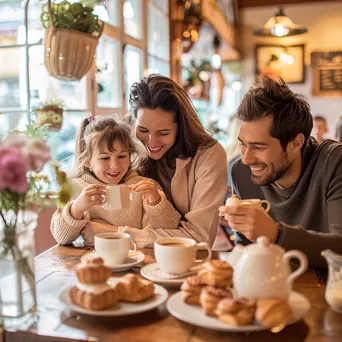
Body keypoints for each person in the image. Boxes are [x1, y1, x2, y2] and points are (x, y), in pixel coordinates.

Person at [219, 76, 342, 268]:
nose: (246, 159)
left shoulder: (334, 162)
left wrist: (277, 234)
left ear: (296, 143)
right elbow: (245, 251)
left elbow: (340, 249)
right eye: (244, 145)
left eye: (259, 148)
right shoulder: (240, 172)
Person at [126, 74, 228, 246]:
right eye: (143, 129)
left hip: (186, 259)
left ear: (182, 126)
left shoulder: (210, 155)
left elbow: (199, 237)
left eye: (163, 133)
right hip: (132, 256)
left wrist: (123, 235)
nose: (151, 142)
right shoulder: (126, 143)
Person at [50, 116, 181, 247]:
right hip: (92, 262)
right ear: (87, 160)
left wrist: (155, 201)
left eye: (122, 156)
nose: (115, 165)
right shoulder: (76, 188)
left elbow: (167, 233)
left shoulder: (145, 187)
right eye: (105, 158)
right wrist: (76, 209)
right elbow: (61, 238)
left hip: (136, 260)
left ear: (130, 156)